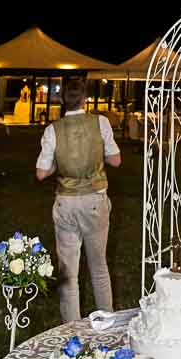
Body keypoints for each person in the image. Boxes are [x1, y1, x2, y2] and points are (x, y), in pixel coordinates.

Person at [36, 77, 121, 322]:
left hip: (66, 201)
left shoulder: (53, 130)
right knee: (99, 265)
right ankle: (107, 321)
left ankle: (71, 327)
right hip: (95, 199)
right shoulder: (101, 122)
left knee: (68, 271)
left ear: (64, 100)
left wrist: (60, 164)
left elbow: (41, 173)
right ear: (85, 99)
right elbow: (116, 160)